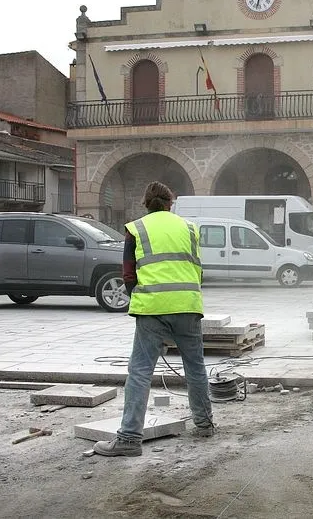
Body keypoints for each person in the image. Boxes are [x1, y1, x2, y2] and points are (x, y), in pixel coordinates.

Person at [94, 181, 215, 457]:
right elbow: (197, 269)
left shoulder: (136, 229)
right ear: (171, 203)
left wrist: (143, 297)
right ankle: (205, 424)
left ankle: (129, 439)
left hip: (152, 308)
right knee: (195, 368)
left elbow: (127, 275)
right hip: (187, 305)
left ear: (146, 204)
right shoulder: (189, 228)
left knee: (140, 372)